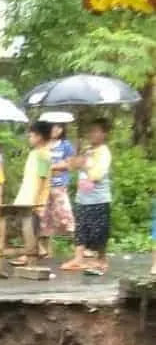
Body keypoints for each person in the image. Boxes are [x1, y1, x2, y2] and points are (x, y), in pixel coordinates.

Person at [62, 118, 113, 274]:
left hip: (98, 197)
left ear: (104, 134)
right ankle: (78, 258)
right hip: (83, 197)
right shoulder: (87, 149)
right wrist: (77, 154)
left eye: (96, 131)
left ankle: (102, 258)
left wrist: (84, 163)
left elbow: (96, 175)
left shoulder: (104, 152)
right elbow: (72, 166)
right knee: (81, 228)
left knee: (99, 230)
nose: (92, 134)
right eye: (91, 131)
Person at [13, 121, 54, 263]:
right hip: (26, 194)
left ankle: (29, 253)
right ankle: (37, 249)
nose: (29, 138)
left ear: (40, 137)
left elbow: (42, 177)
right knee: (22, 223)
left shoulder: (43, 155)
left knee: (29, 226)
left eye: (31, 136)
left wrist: (36, 199)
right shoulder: (34, 153)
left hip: (34, 197)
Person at [40, 115, 77, 256]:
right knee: (44, 216)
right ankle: (45, 249)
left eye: (59, 127)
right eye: (53, 126)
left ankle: (78, 246)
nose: (55, 129)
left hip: (59, 185)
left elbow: (69, 163)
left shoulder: (65, 145)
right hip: (44, 186)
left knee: (65, 214)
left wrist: (53, 166)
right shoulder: (43, 144)